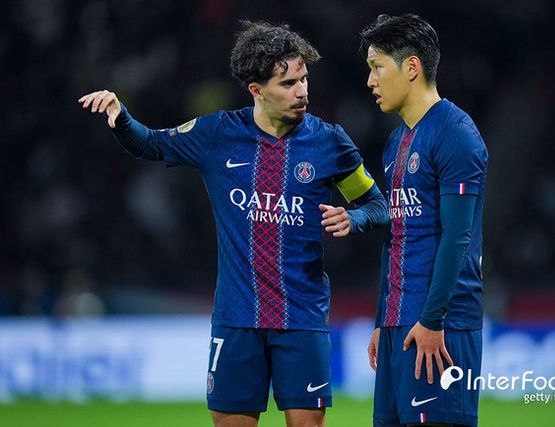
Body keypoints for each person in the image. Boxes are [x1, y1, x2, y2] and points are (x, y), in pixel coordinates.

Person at [79, 20, 387, 427]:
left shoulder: (329, 142)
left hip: (302, 317)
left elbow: (376, 204)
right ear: (256, 90)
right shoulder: (218, 134)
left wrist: (355, 216)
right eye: (288, 83)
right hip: (237, 318)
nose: (302, 91)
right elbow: (150, 143)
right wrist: (120, 116)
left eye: (304, 79)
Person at [360, 14, 489, 427]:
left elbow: (457, 238)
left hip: (441, 327)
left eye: (377, 67)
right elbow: (396, 236)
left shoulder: (455, 133)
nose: (371, 81)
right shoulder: (396, 141)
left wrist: (433, 319)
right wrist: (383, 321)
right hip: (399, 325)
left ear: (411, 67)